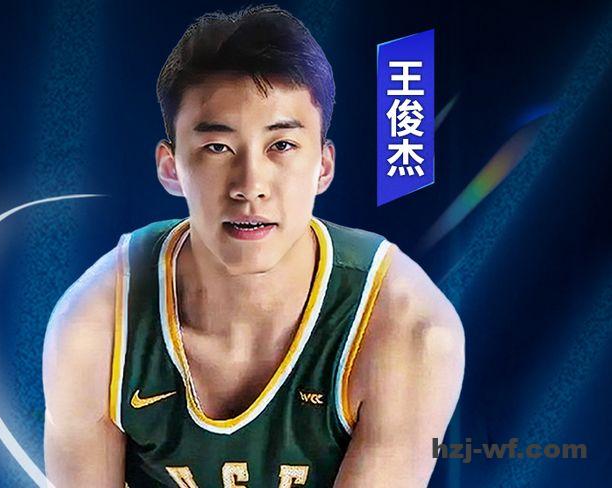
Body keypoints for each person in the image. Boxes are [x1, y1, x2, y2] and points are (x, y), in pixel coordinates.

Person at [42, 5, 464, 487]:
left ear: (323, 167)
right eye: (217, 147)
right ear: (171, 168)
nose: (250, 186)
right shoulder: (94, 327)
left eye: (281, 146)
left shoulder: (408, 330)